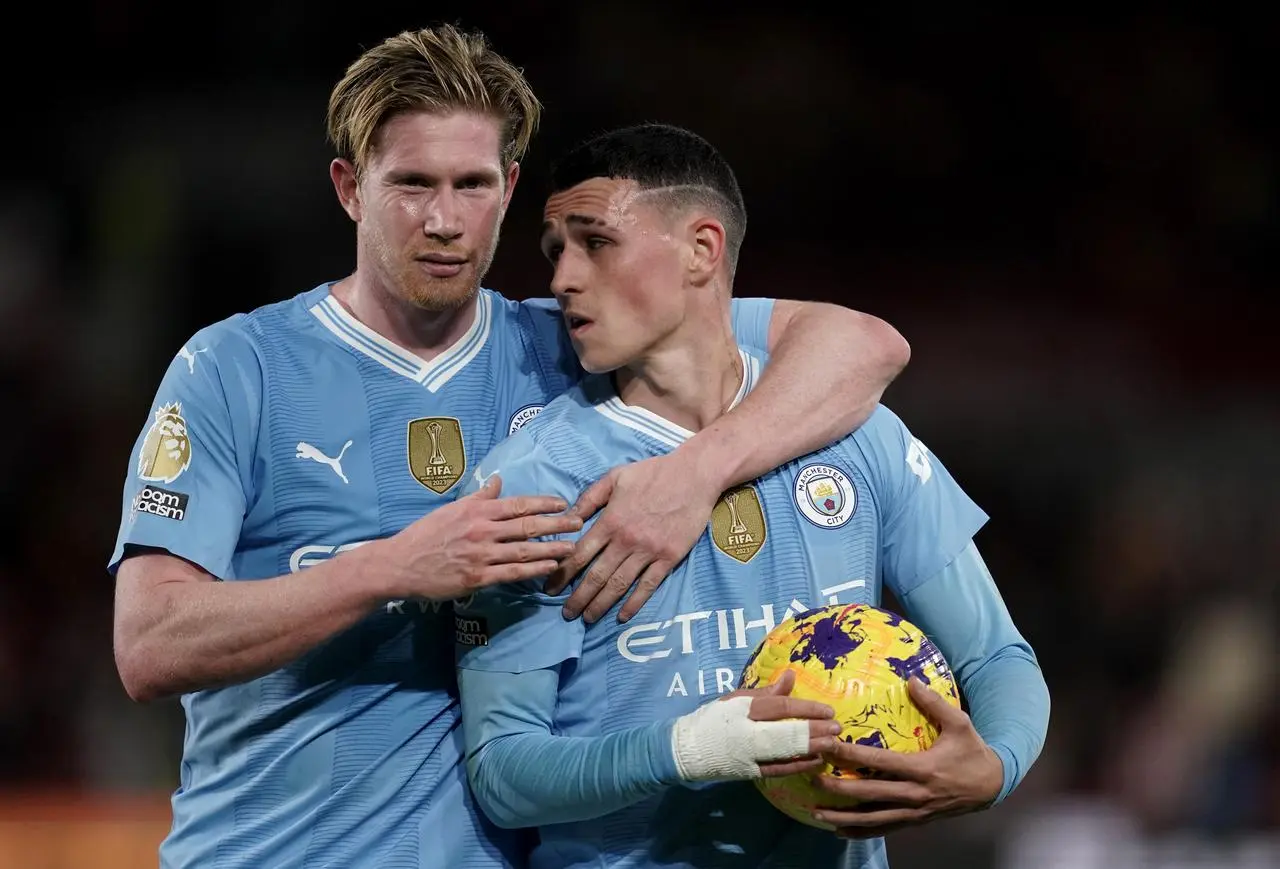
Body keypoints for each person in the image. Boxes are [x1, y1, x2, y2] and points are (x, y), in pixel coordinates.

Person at [108, 24, 910, 869]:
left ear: (510, 186)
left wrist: (696, 470)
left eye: (472, 184)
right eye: (412, 184)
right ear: (350, 188)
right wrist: (392, 566)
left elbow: (864, 345)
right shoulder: (237, 369)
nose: (445, 219)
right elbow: (150, 643)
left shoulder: (573, 343)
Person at [454, 122, 1051, 868]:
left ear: (702, 250)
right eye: (555, 251)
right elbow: (504, 773)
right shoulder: (536, 483)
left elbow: (997, 655)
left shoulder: (856, 436)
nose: (562, 278)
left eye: (595, 242)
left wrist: (995, 767)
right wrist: (689, 747)